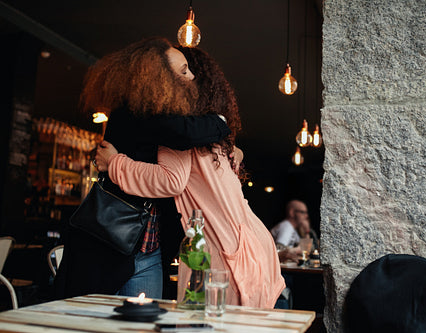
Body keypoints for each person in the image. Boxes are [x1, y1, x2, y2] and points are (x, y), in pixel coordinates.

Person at [96, 47, 285, 309]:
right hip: (248, 243)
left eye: (191, 70)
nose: (191, 78)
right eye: (183, 71)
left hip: (221, 250)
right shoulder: (201, 135)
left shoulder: (190, 131)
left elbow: (170, 180)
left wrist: (114, 163)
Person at [54, 37, 235, 300]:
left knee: (143, 326)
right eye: (183, 70)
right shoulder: (135, 110)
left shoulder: (157, 112)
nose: (192, 76)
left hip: (148, 248)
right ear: (157, 76)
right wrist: (220, 121)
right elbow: (185, 133)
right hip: (107, 244)